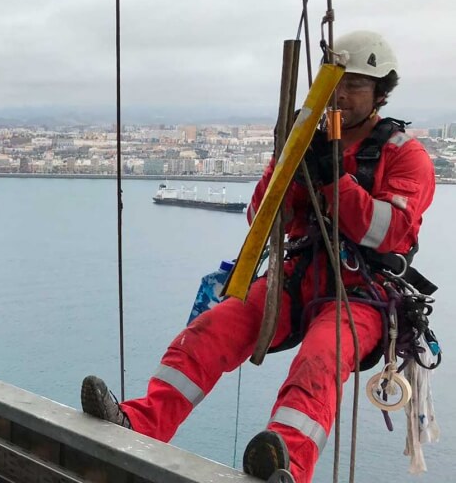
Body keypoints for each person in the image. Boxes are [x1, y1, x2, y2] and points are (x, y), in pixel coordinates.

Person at [80, 31, 436, 482]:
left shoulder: (405, 156)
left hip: (361, 292)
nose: (342, 94)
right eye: (338, 83)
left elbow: (389, 233)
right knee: (211, 330)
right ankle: (139, 423)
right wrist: (285, 164)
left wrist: (333, 180)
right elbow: (262, 217)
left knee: (319, 359)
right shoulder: (309, 140)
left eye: (356, 86)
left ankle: (285, 463)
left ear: (380, 93)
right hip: (301, 275)